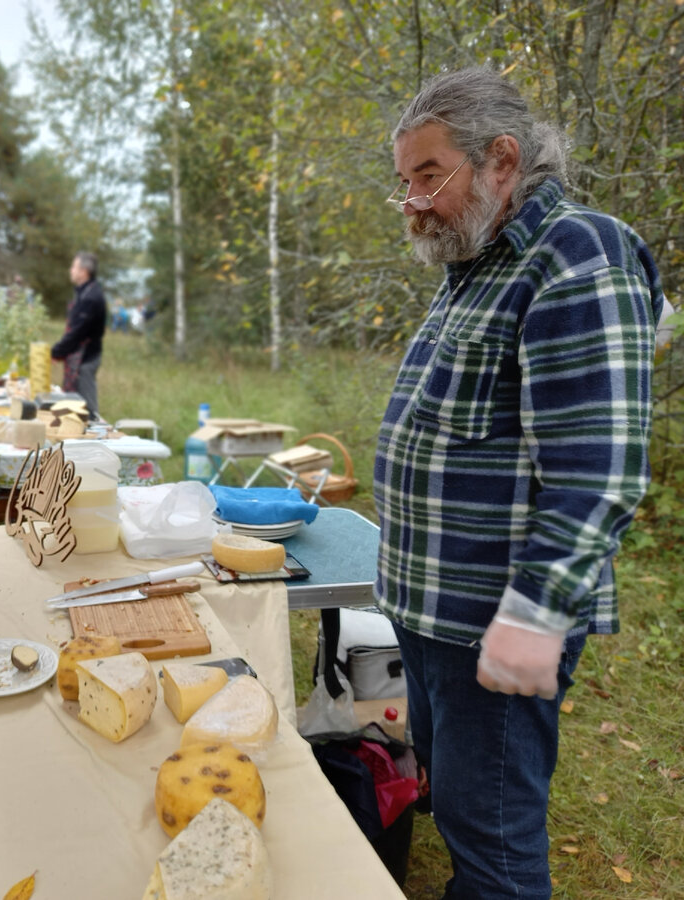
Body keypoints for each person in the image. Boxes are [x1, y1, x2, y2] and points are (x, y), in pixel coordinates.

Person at [375, 67, 663, 900]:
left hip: (493, 627)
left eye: (430, 175)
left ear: (501, 159)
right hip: (432, 610)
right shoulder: (474, 265)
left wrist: (535, 616)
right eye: (406, 182)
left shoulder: (577, 251)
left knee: (493, 843)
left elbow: (598, 467)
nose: (415, 202)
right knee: (457, 805)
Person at [51, 251, 107, 419]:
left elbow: (77, 332)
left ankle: (93, 440)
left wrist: (56, 351)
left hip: (86, 359)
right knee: (76, 405)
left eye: (74, 267)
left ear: (84, 271)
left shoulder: (91, 297)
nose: (71, 270)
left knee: (86, 407)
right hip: (81, 356)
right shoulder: (84, 292)